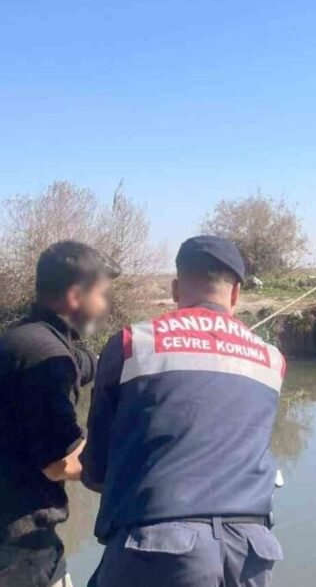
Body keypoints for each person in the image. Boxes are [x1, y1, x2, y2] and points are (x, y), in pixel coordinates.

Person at [82, 235, 285, 587]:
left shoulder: (133, 344)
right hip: (250, 554)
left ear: (176, 288)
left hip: (158, 550)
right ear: (236, 293)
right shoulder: (272, 359)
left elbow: (98, 467)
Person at [0, 241, 120, 587]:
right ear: (76, 296)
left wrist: (109, 362)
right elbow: (60, 463)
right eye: (102, 295)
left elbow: (76, 363)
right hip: (8, 557)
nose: (106, 306)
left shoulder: (21, 341)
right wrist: (129, 463)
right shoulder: (46, 360)